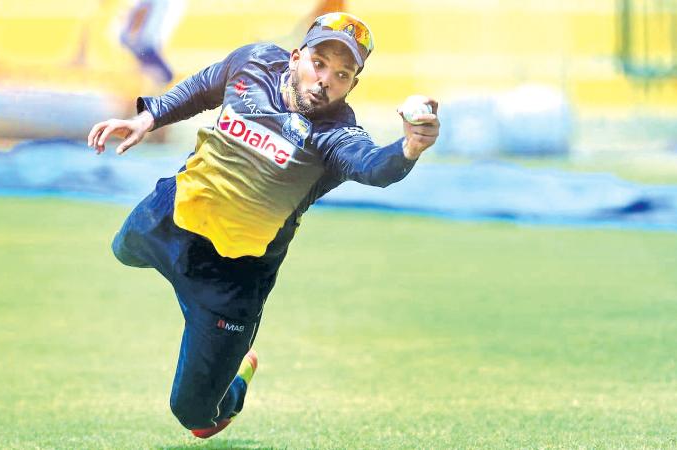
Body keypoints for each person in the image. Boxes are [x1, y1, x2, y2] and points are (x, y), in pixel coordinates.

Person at [87, 12, 439, 439]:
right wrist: (149, 117)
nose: (325, 79)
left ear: (352, 85)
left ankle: (233, 375)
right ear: (296, 56)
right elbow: (206, 85)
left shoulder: (335, 134)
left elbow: (372, 167)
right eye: (319, 62)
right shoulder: (254, 63)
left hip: (233, 279)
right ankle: (193, 314)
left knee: (196, 417)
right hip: (172, 218)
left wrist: (409, 147)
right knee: (122, 248)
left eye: (342, 74)